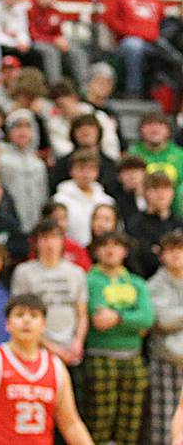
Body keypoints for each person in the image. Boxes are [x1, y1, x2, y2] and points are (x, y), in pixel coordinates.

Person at [0, 293, 94, 445]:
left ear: (44, 325)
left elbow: (71, 423)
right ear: (7, 324)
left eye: (33, 315)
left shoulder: (56, 367)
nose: (26, 320)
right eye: (19, 315)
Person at [83, 231, 154, 445]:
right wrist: (131, 322)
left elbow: (147, 318)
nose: (110, 250)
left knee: (130, 426)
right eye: (105, 245)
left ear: (125, 251)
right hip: (100, 357)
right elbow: (99, 321)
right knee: (100, 424)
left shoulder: (137, 282)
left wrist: (118, 317)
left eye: (116, 245)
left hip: (133, 358)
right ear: (96, 251)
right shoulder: (90, 280)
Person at [11, 220, 88, 394]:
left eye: (54, 238)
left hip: (71, 351)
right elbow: (20, 315)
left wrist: (78, 342)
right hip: (38, 349)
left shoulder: (76, 273)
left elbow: (82, 314)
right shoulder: (24, 272)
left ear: (62, 241)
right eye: (44, 238)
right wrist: (52, 347)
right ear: (37, 242)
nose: (50, 244)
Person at [101, 0, 166, 98]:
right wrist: (134, 31)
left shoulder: (155, 1)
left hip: (153, 42)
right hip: (125, 43)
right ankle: (133, 92)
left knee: (169, 49)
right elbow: (110, 20)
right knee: (134, 45)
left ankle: (162, 94)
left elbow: (163, 24)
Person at [147, 230, 183, 445]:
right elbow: (162, 320)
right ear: (162, 256)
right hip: (166, 361)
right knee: (164, 421)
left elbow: (172, 317)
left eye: (180, 250)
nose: (177, 255)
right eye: (171, 250)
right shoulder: (154, 285)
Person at [28, 0, 88, 87]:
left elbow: (59, 32)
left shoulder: (56, 12)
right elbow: (32, 34)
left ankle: (83, 86)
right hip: (36, 42)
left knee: (77, 50)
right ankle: (56, 86)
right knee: (51, 52)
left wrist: (62, 41)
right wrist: (53, 40)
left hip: (53, 42)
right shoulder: (31, 10)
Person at [0, 109, 48, 234]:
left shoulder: (38, 163)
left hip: (35, 226)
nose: (23, 131)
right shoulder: (0, 159)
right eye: (17, 126)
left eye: (27, 126)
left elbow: (43, 195)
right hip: (8, 223)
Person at [52, 148, 116, 247]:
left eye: (91, 169)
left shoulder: (107, 201)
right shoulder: (59, 200)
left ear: (97, 172)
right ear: (71, 171)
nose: (86, 174)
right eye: (81, 168)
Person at [125, 171, 183, 278]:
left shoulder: (179, 223)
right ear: (145, 192)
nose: (161, 194)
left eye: (165, 188)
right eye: (155, 189)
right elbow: (138, 259)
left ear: (172, 193)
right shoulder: (135, 225)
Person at [46, 79, 120, 162]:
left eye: (61, 105)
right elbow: (62, 151)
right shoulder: (54, 124)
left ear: (74, 98)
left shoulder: (100, 117)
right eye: (56, 106)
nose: (59, 110)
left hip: (102, 164)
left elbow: (111, 147)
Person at [49, 113, 119, 196]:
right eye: (79, 128)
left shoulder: (111, 165)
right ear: (73, 133)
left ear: (99, 131)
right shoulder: (62, 164)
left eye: (90, 126)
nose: (85, 131)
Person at [130, 111, 183, 211]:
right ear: (141, 130)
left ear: (168, 130)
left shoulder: (180, 155)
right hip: (141, 207)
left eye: (160, 124)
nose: (155, 129)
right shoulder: (133, 154)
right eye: (149, 124)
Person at [0, 0, 42, 69]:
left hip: (18, 44)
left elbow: (23, 31)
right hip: (3, 44)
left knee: (34, 54)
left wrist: (23, 43)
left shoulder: (20, 10)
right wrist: (15, 43)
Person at [111, 155, 147, 226]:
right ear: (119, 177)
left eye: (136, 172)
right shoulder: (114, 200)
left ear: (144, 174)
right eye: (127, 172)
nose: (132, 176)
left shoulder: (151, 197)